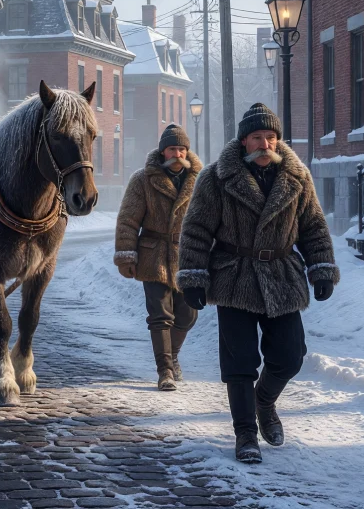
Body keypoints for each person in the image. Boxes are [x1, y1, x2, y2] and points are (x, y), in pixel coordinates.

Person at [177, 102, 338, 464]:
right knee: (241, 362)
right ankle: (246, 434)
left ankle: (264, 401)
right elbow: (196, 230)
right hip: (234, 276)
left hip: (281, 276)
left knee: (290, 355)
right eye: (257, 138)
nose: (265, 144)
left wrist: (322, 268)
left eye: (271, 138)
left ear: (278, 142)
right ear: (244, 142)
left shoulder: (297, 177)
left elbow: (313, 227)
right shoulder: (217, 177)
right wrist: (193, 276)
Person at [114, 123, 204, 392]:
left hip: (188, 256)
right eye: (172, 149)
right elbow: (128, 220)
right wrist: (126, 255)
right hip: (153, 254)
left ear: (187, 153)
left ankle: (173, 354)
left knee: (188, 315)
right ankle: (164, 369)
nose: (177, 154)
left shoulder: (200, 181)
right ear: (163, 152)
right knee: (160, 315)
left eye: (181, 149)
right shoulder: (143, 179)